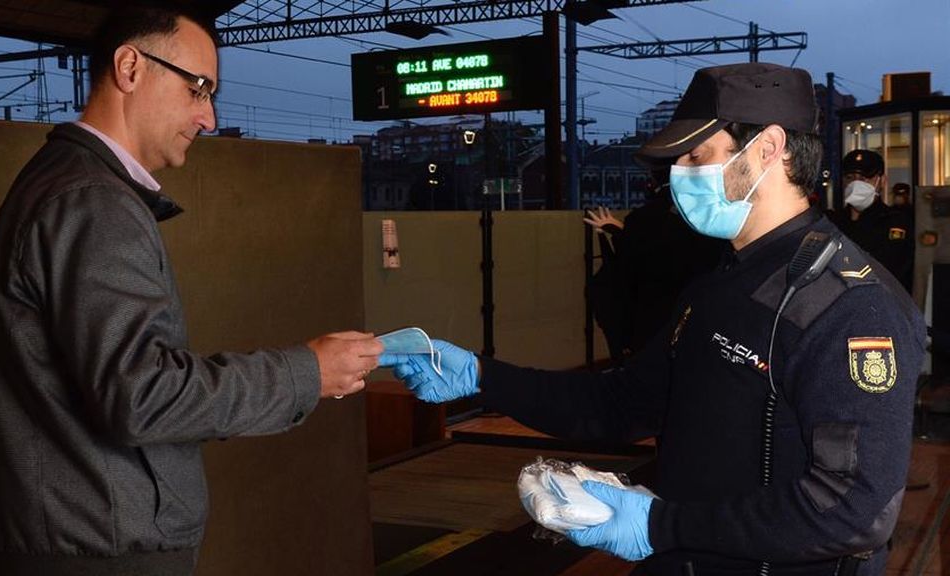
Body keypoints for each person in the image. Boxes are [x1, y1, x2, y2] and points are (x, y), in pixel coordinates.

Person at [382, 63, 925, 575]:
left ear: (769, 148)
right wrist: (483, 376)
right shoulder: (720, 282)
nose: (679, 175)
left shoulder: (849, 306)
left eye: (696, 156)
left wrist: (658, 523)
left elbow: (853, 509)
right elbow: (623, 404)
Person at [0, 7, 382, 576]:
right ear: (131, 67)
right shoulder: (93, 201)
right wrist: (305, 372)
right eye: (198, 89)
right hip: (99, 550)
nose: (208, 117)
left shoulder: (63, 182)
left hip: (75, 535)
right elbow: (141, 395)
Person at [584, 173, 724, 361]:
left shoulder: (640, 220)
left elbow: (635, 263)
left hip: (648, 321)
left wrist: (621, 233)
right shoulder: (707, 219)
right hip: (696, 318)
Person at [831, 150, 914, 291]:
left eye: (864, 178)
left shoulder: (895, 222)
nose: (855, 184)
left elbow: (896, 269)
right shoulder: (833, 221)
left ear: (882, 181)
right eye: (850, 177)